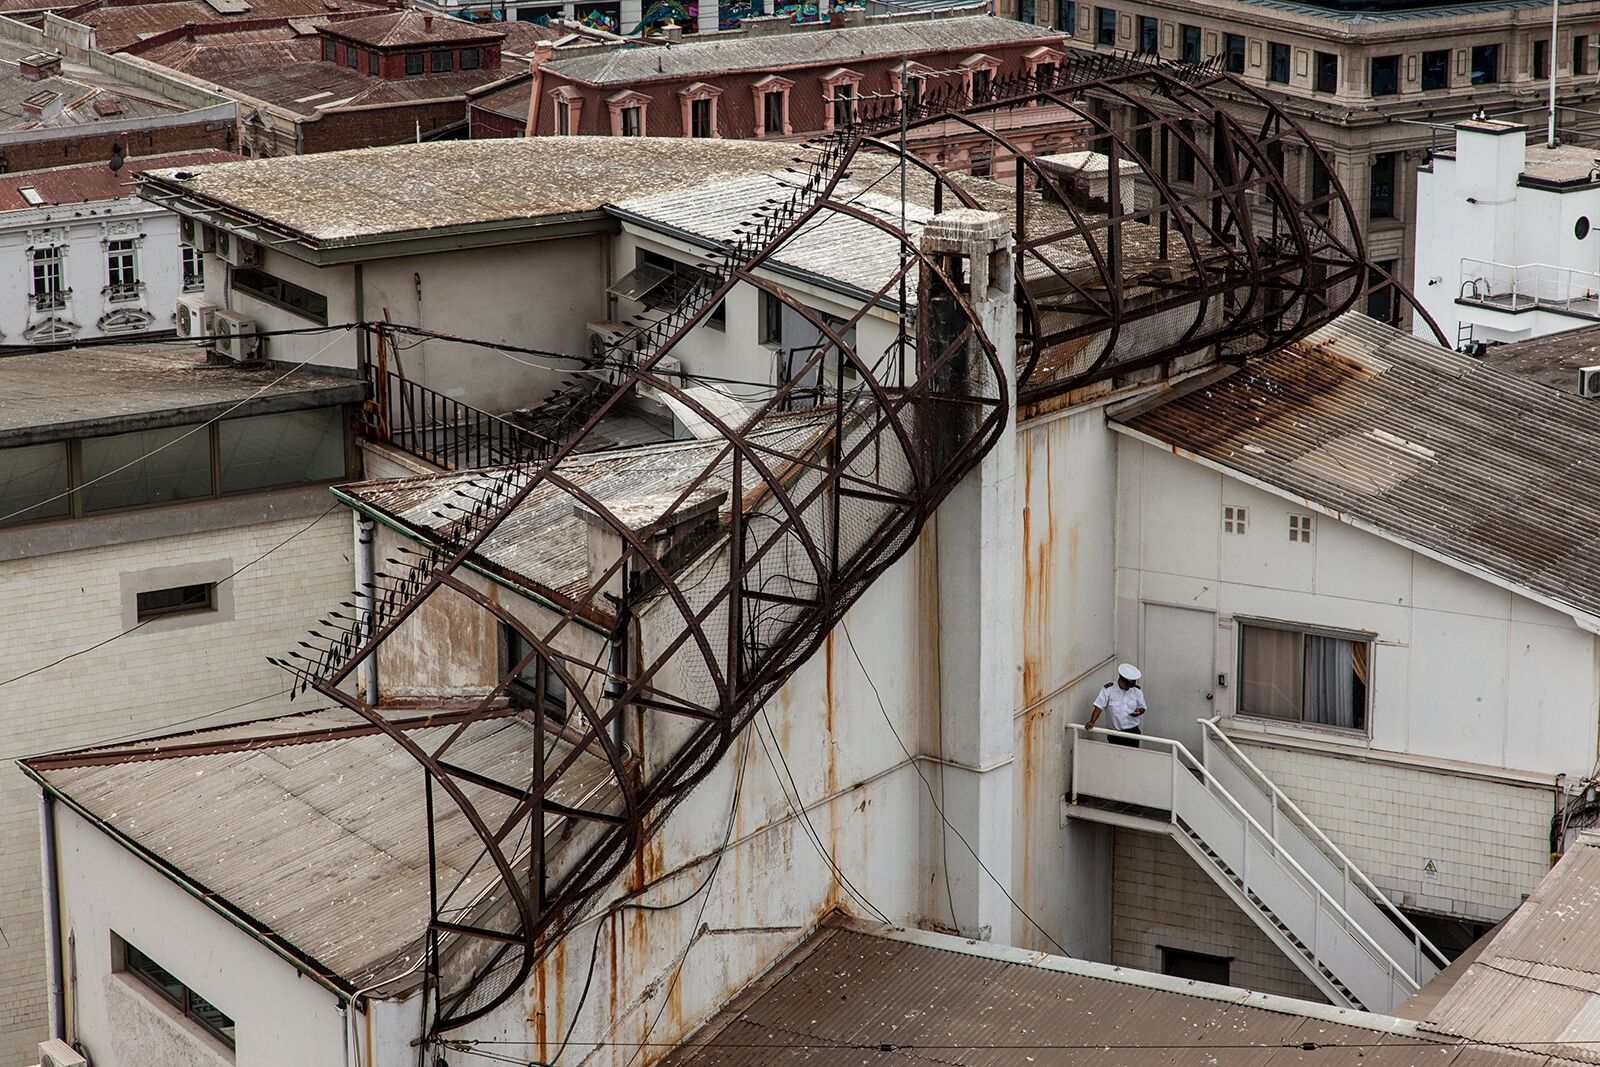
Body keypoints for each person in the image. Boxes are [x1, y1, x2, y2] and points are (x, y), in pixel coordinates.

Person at [1087, 663, 1146, 747]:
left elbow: (1143, 707)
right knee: (1116, 757)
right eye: (1128, 684)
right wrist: (1092, 722)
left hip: (1133, 732)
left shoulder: (1136, 691)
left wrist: (1139, 711)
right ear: (1121, 679)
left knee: (1132, 757)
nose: (1129, 687)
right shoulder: (1109, 690)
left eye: (1131, 685)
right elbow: (1099, 707)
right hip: (1115, 733)